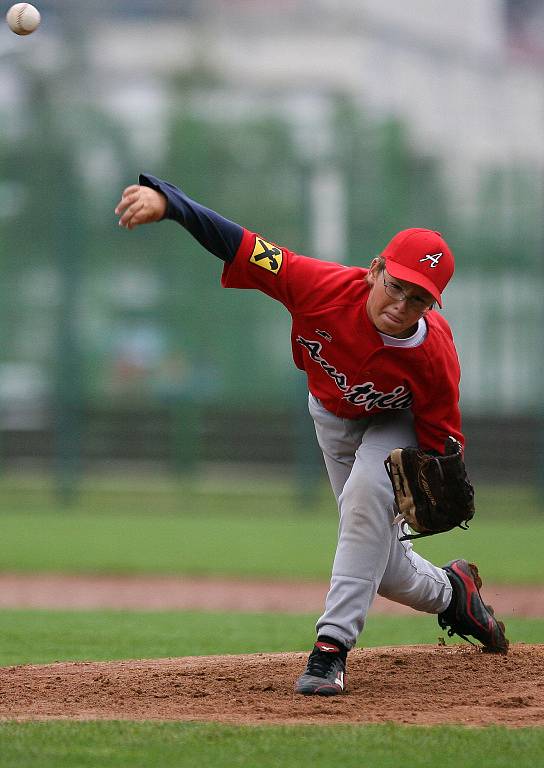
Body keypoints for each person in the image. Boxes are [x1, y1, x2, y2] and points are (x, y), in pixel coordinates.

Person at [115, 173, 509, 697]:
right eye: (396, 285)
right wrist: (170, 204)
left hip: (397, 423)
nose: (401, 304)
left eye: (419, 298)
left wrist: (430, 481)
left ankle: (330, 650)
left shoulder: (434, 358)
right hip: (332, 416)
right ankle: (454, 594)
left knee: (370, 494)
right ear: (375, 270)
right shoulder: (317, 285)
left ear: (431, 306)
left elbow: (440, 446)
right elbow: (240, 242)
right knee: (383, 566)